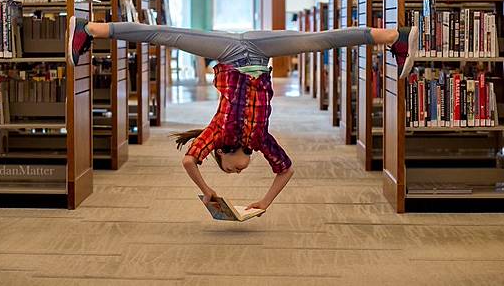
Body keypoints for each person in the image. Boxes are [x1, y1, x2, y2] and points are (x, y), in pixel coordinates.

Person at [67, 17, 418, 212]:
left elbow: (190, 162)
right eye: (237, 173)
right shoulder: (260, 141)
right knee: (318, 39)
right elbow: (287, 170)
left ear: (220, 153)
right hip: (260, 50)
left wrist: (207, 191)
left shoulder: (218, 133)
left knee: (165, 35)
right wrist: (265, 202)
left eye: (228, 170)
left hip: (230, 51)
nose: (236, 173)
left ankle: (90, 29)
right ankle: (394, 38)